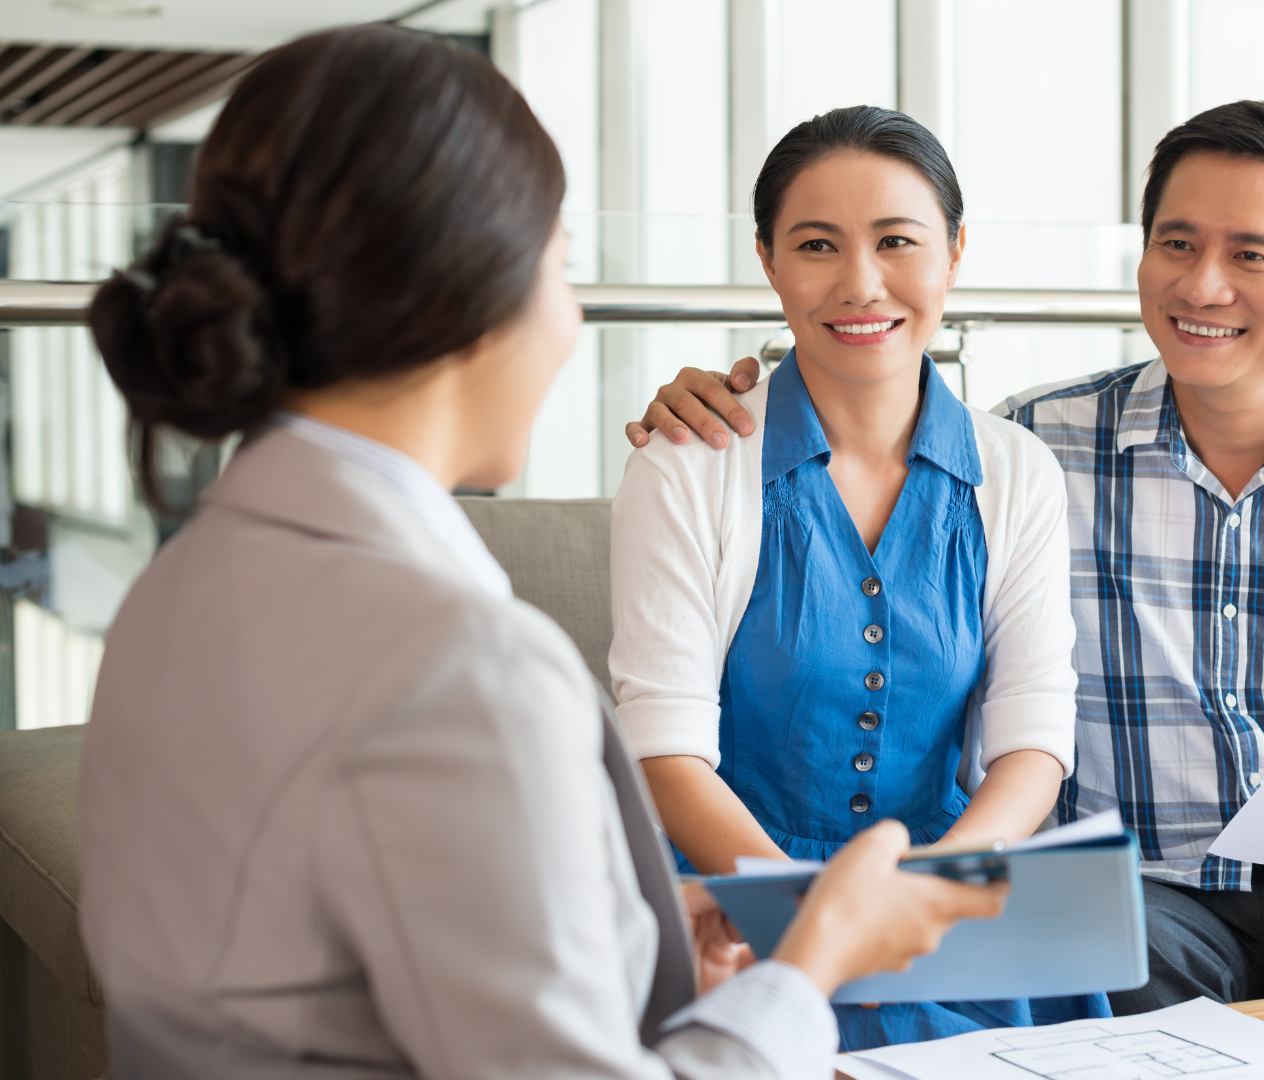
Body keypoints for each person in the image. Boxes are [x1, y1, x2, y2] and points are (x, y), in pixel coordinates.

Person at [78, 28, 1007, 1080]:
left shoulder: (171, 592)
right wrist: (811, 960)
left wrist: (635, 930)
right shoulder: (455, 665)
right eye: (560, 266)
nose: (569, 322)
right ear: (462, 296)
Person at [629, 100, 1264, 1011]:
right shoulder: (1036, 451)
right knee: (1098, 961)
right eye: (1177, 244)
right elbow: (858, 411)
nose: (1203, 285)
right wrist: (707, 397)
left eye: (1252, 254)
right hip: (1143, 894)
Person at [608, 105, 1103, 1051]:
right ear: (767, 258)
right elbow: (665, 749)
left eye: (897, 241)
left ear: (955, 251)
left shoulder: (1017, 469)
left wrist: (932, 894)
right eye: (817, 244)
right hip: (734, 911)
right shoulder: (685, 463)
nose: (860, 282)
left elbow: (1034, 733)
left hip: (947, 903)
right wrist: (824, 927)